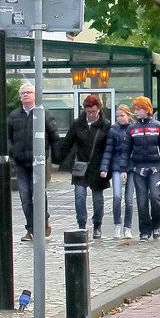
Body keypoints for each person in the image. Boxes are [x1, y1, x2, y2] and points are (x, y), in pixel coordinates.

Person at [6, 82, 60, 242]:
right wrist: (12, 152)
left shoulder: (44, 114)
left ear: (35, 95)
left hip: (39, 163)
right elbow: (7, 137)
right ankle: (31, 229)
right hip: (21, 163)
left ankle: (43, 222)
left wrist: (57, 161)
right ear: (19, 96)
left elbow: (54, 138)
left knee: (38, 195)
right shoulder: (14, 116)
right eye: (23, 93)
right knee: (25, 197)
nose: (26, 95)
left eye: (29, 92)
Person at [126, 95, 160, 241]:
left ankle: (156, 226)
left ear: (147, 109)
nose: (137, 111)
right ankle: (144, 231)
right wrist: (125, 169)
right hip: (138, 169)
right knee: (141, 201)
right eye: (135, 108)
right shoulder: (132, 128)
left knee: (155, 197)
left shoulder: (158, 127)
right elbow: (126, 151)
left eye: (140, 108)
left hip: (154, 168)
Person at [64, 94, 113, 239]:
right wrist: (63, 160)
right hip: (81, 166)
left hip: (98, 167)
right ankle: (81, 225)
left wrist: (107, 168)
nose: (91, 114)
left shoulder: (106, 124)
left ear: (99, 109)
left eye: (93, 111)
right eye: (88, 111)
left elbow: (108, 148)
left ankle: (97, 225)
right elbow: (68, 142)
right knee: (79, 196)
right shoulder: (77, 123)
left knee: (98, 199)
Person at [107, 104, 136, 240]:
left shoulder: (133, 129)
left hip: (130, 167)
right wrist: (104, 168)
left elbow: (134, 151)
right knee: (117, 197)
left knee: (129, 199)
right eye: (117, 116)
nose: (119, 118)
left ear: (129, 116)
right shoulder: (113, 129)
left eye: (122, 116)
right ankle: (117, 225)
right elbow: (109, 150)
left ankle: (128, 227)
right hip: (117, 167)